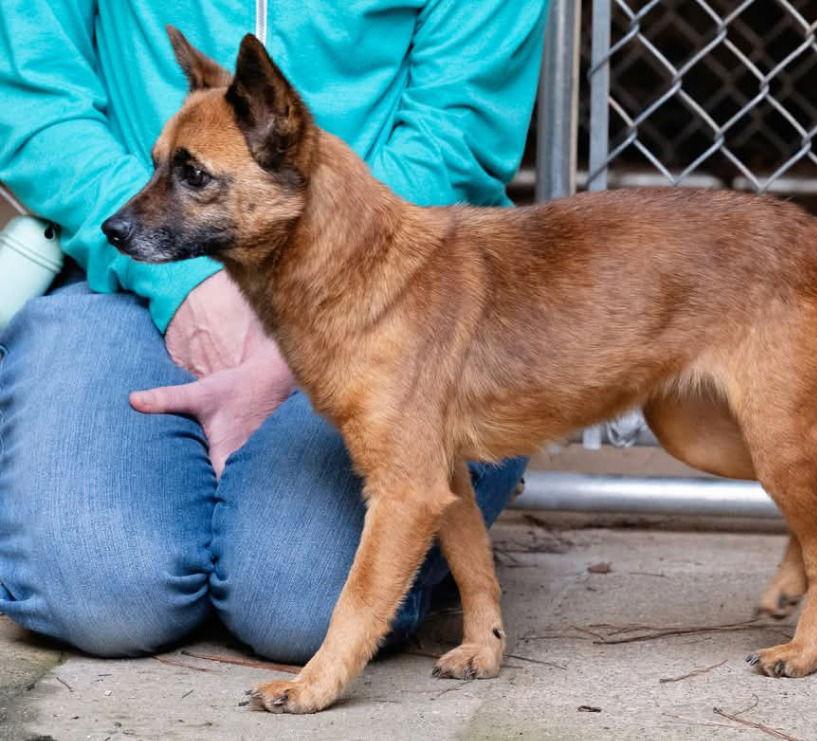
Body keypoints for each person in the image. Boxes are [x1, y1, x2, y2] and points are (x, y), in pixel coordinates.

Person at [0, 2, 546, 663]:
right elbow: (34, 93)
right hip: (120, 270)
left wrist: (301, 321)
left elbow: (456, 136)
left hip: (386, 300)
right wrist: (189, 291)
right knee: (98, 590)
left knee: (298, 604)